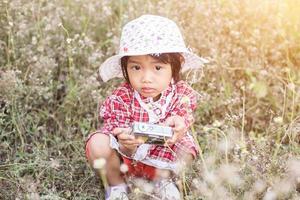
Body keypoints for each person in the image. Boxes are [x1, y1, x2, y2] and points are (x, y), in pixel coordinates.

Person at [85, 14, 207, 200]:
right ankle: (117, 186)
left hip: (164, 157)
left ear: (175, 68)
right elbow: (116, 130)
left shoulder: (180, 92)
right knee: (98, 143)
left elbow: (184, 113)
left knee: (187, 149)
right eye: (136, 68)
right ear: (125, 68)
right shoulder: (122, 97)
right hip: (126, 160)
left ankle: (164, 181)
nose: (146, 78)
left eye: (157, 68)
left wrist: (179, 122)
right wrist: (125, 143)